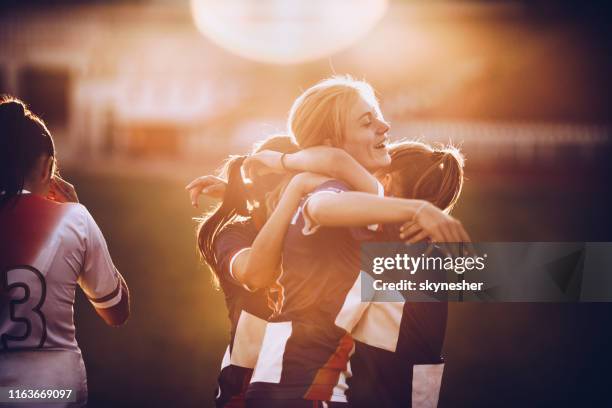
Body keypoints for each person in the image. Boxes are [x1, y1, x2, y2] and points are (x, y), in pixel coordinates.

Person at [0, 97, 130, 407]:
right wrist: (77, 209)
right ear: (47, 168)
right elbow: (116, 311)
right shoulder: (74, 218)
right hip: (51, 389)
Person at [192, 135, 332, 408]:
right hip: (249, 385)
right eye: (303, 186)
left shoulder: (316, 225)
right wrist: (280, 196)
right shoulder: (235, 233)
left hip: (312, 383)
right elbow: (256, 275)